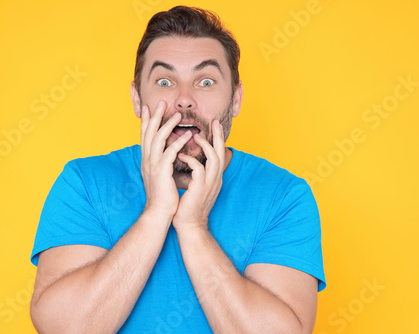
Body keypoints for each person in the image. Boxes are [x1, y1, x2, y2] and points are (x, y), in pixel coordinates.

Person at [29, 5, 325, 333]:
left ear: (236, 99)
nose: (184, 100)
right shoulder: (84, 183)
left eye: (206, 81)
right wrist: (157, 213)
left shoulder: (285, 198)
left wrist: (194, 228)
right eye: (166, 81)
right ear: (137, 99)